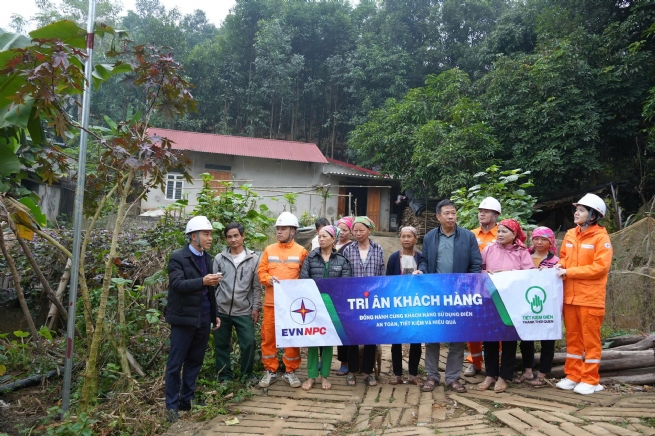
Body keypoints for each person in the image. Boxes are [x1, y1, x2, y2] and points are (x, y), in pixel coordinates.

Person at [415, 199, 482, 393]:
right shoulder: (430, 237)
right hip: (435, 293)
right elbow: (425, 260)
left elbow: (475, 264)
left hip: (459, 294)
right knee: (432, 335)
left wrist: (468, 286)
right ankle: (432, 375)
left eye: (453, 213)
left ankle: (453, 377)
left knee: (457, 336)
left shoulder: (468, 236)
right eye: (447, 213)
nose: (451, 217)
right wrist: (421, 270)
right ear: (438, 216)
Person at [165, 216, 221, 423]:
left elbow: (210, 291)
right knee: (175, 363)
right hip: (183, 319)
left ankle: (186, 400)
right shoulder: (178, 257)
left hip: (203, 318)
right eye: (206, 234)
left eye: (211, 234)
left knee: (195, 360)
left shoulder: (208, 258)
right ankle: (171, 407)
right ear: (193, 236)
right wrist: (203, 281)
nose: (210, 238)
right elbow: (178, 285)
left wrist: (214, 314)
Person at [555, 194, 612, 395]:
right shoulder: (570, 234)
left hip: (590, 299)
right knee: (573, 339)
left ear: (593, 215)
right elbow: (564, 258)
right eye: (576, 209)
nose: (576, 213)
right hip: (570, 297)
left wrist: (568, 271)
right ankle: (573, 375)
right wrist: (559, 265)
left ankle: (591, 379)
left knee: (590, 341)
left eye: (581, 210)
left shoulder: (601, 238)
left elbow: (600, 268)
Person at [477, 219, 534, 393]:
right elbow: (479, 268)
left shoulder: (522, 252)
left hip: (512, 301)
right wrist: (486, 273)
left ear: (514, 234)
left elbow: (530, 274)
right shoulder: (489, 249)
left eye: (504, 231)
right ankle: (490, 374)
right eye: (499, 231)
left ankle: (504, 376)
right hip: (491, 299)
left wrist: (509, 274)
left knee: (509, 338)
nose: (500, 234)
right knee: (490, 338)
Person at [257, 212, 309, 388]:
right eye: (278, 228)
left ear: (293, 231)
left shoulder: (302, 252)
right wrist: (268, 279)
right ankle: (270, 370)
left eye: (283, 228)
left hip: (292, 305)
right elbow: (261, 272)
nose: (279, 231)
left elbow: (305, 277)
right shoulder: (269, 250)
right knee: (268, 336)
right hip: (271, 303)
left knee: (292, 337)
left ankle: (290, 371)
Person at [300, 225, 352, 390]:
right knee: (313, 340)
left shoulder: (342, 260)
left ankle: (325, 376)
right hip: (313, 307)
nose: (321, 239)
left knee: (329, 341)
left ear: (333, 239)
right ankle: (311, 376)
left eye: (324, 236)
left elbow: (345, 285)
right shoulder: (310, 258)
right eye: (319, 237)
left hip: (332, 307)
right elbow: (303, 281)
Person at [212, 222, 261, 386]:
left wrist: (256, 307)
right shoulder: (219, 258)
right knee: (221, 344)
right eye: (229, 237)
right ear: (226, 239)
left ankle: (247, 374)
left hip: (244, 310)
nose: (233, 239)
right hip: (222, 309)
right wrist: (213, 309)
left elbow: (256, 286)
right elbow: (213, 285)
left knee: (249, 342)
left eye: (236, 236)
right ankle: (224, 377)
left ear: (242, 236)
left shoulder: (253, 259)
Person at [340, 216, 385, 387]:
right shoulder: (348, 250)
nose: (357, 233)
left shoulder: (378, 249)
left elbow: (381, 274)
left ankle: (367, 372)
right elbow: (345, 274)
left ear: (369, 230)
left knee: (370, 336)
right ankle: (352, 372)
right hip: (353, 299)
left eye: (361, 230)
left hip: (372, 300)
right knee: (352, 336)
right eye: (355, 230)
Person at [513, 226, 560, 387]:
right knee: (526, 338)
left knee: (548, 339)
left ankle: (542, 373)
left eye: (544, 239)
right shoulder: (524, 256)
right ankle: (528, 370)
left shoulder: (556, 261)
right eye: (536, 239)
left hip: (547, 305)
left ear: (551, 241)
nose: (539, 242)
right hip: (526, 304)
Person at [464, 197, 502, 377]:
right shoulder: (470, 234)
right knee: (473, 326)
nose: (482, 214)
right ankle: (475, 362)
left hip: (495, 287)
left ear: (495, 215)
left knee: (496, 325)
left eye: (486, 211)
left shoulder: (502, 233)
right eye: (480, 211)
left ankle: (497, 364)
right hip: (473, 287)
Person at [386, 226, 422, 385]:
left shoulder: (421, 258)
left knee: (416, 339)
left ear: (416, 238)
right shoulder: (394, 258)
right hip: (398, 304)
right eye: (403, 236)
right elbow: (388, 281)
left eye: (409, 236)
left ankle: (413, 374)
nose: (406, 239)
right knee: (396, 339)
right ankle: (397, 374)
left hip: (416, 304)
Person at [335, 215, 354, 375]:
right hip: (334, 291)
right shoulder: (330, 244)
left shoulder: (351, 248)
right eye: (339, 229)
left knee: (347, 327)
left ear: (351, 231)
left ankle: (346, 362)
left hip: (347, 290)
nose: (341, 232)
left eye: (345, 230)